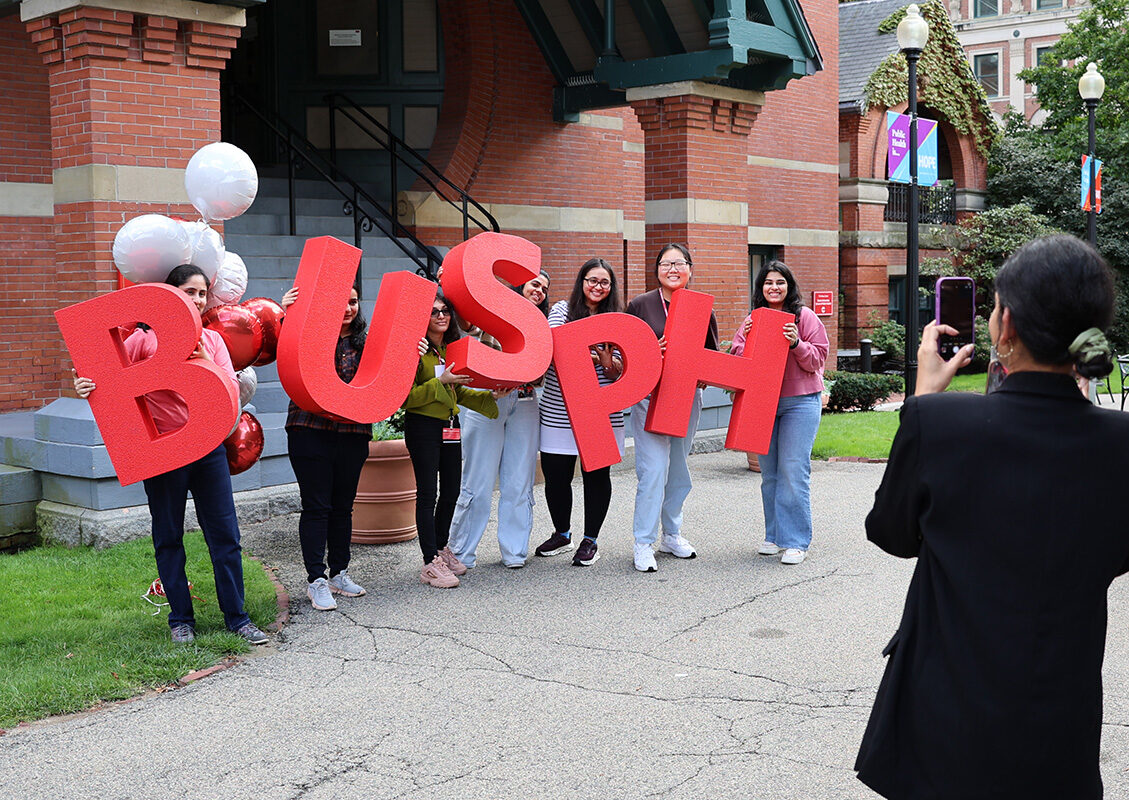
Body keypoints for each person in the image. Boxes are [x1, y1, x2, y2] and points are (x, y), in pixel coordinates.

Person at [855, 235, 1129, 800]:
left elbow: (891, 533)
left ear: (1006, 327)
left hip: (945, 711)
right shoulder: (1119, 444)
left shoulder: (940, 425)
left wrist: (923, 399)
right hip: (1061, 712)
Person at [73, 264, 268, 646]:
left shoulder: (212, 342)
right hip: (163, 451)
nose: (196, 300)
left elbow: (231, 388)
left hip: (208, 447)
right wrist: (86, 385)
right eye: (188, 291)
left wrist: (204, 365)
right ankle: (181, 620)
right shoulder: (143, 340)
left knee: (225, 535)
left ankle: (238, 618)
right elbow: (106, 376)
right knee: (168, 536)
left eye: (201, 293)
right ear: (169, 295)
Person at [448, 270, 551, 569]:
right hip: (486, 400)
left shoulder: (541, 327)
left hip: (526, 401)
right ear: (518, 287)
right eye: (535, 284)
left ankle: (515, 551)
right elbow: (465, 330)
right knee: (478, 479)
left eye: (545, 288)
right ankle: (461, 552)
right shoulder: (492, 314)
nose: (540, 291)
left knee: (519, 480)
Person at [625, 244, 718, 572]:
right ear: (657, 270)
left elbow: (711, 353)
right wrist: (651, 349)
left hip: (686, 399)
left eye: (679, 263)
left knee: (677, 469)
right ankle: (643, 541)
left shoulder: (701, 307)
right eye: (666, 264)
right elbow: (626, 352)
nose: (673, 269)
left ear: (690, 269)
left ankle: (672, 533)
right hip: (649, 399)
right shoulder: (640, 304)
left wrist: (705, 374)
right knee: (653, 470)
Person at [279, 284, 371, 611]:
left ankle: (339, 574)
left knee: (343, 506)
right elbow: (282, 352)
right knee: (317, 506)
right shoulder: (308, 334)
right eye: (341, 301)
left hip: (352, 432)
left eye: (353, 301)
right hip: (310, 430)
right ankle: (316, 579)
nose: (348, 308)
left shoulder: (368, 343)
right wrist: (286, 316)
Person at [730, 260, 828, 565]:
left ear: (789, 286)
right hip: (764, 403)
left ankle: (796, 540)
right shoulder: (753, 319)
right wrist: (746, 337)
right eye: (768, 283)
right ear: (761, 288)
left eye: (780, 282)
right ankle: (774, 535)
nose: (774, 287)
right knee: (769, 473)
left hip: (800, 402)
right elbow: (736, 360)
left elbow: (818, 359)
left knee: (793, 470)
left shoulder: (804, 317)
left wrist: (796, 343)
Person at [403, 292, 502, 588]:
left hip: (450, 426)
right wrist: (439, 382)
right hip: (422, 427)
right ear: (423, 318)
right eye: (434, 312)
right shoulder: (416, 350)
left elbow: (457, 392)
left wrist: (492, 398)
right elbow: (406, 397)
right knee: (427, 494)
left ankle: (440, 548)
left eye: (445, 310)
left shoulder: (449, 349)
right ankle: (428, 563)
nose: (441, 316)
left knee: (451, 492)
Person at [534, 258, 624, 567]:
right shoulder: (561, 310)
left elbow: (620, 370)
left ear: (611, 288)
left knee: (596, 474)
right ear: (581, 282)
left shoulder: (618, 319)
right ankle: (562, 532)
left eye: (604, 282)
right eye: (591, 280)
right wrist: (587, 353)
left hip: (600, 411)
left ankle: (591, 540)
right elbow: (553, 347)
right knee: (556, 475)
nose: (597, 287)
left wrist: (607, 364)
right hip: (560, 409)